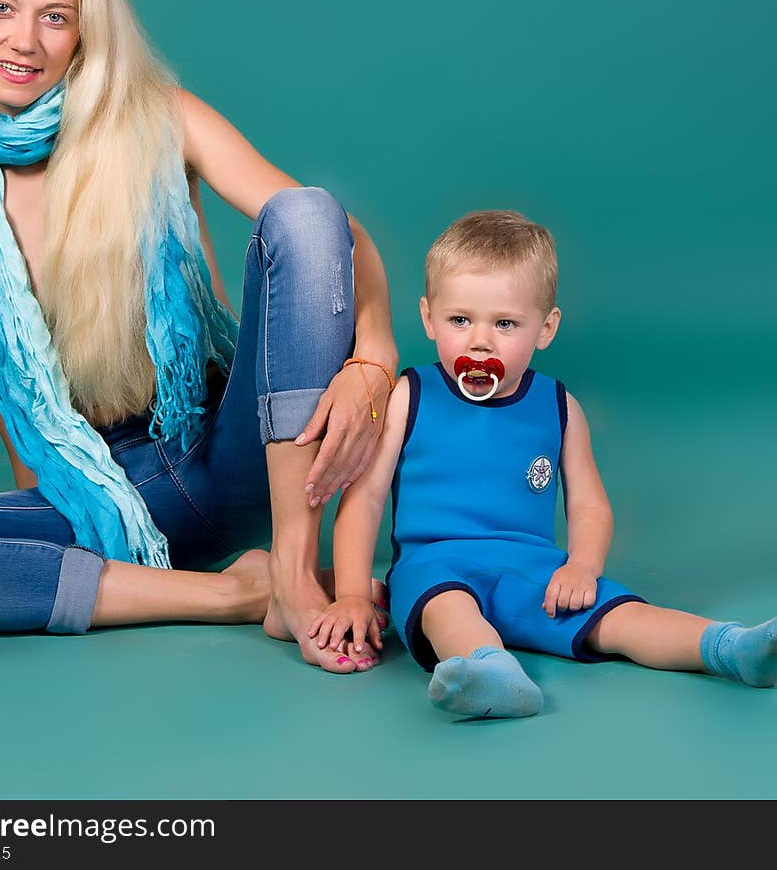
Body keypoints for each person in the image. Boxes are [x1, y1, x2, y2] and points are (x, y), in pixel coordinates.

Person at [0, 0, 397, 673]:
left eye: (54, 17)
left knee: (301, 215)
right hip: (106, 474)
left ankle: (293, 575)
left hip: (229, 448)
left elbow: (332, 236)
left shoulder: (162, 117)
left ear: (84, 31)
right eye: (3, 7)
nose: (23, 41)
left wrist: (375, 353)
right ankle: (234, 595)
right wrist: (49, 498)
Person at [309, 209, 777, 710]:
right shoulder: (409, 395)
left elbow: (590, 506)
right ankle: (491, 672)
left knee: (620, 618)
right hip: (434, 564)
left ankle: (731, 648)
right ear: (428, 317)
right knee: (449, 609)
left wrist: (581, 565)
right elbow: (366, 497)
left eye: (505, 323)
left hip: (534, 570)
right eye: (459, 320)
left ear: (545, 328)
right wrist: (354, 594)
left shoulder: (559, 408)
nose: (480, 340)